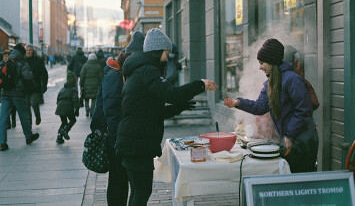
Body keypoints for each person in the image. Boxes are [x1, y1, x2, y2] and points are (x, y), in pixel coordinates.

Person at [115, 28, 218, 206]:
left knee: (138, 193)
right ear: (157, 51)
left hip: (134, 142)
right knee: (141, 193)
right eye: (166, 52)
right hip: (137, 144)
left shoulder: (140, 70)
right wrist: (199, 85)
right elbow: (171, 94)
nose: (168, 57)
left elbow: (153, 112)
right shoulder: (148, 71)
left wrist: (178, 108)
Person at [224, 38, 318, 173]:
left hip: (304, 142)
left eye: (262, 63)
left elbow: (304, 111)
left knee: (302, 184)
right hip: (289, 140)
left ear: (273, 62)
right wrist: (237, 103)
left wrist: (289, 135)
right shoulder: (269, 83)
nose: (260, 67)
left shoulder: (293, 80)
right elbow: (260, 106)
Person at [90, 31, 145, 206]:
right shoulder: (115, 76)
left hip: (120, 137)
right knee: (117, 181)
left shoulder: (122, 74)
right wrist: (117, 139)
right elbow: (112, 111)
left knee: (122, 180)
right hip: (115, 138)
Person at [0, 43, 39, 151]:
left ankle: (2, 143)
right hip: (18, 94)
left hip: (5, 94)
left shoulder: (6, 62)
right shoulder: (21, 63)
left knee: (3, 119)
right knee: (23, 116)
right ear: (21, 53)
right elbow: (28, 77)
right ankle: (28, 137)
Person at [25, 44, 48, 126]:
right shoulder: (23, 61)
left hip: (35, 87)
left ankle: (37, 115)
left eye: (30, 50)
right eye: (27, 50)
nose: (28, 52)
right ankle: (29, 124)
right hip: (25, 88)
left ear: (33, 51)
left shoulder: (38, 60)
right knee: (26, 105)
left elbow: (44, 74)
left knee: (34, 103)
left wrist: (44, 85)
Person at [55, 70, 80, 144]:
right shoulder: (73, 89)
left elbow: (58, 99)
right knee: (73, 120)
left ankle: (59, 137)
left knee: (64, 122)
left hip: (60, 108)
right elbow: (76, 101)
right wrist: (77, 110)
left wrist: (59, 106)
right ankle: (65, 130)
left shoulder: (63, 89)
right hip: (68, 108)